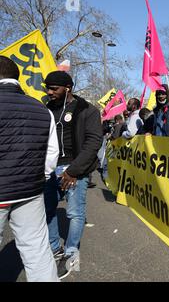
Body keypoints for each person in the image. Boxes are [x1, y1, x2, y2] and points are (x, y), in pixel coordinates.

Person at [0, 56, 60, 282]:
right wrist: (39, 179)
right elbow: (51, 153)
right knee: (37, 250)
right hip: (30, 191)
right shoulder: (42, 109)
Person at [43, 71, 102, 279]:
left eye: (54, 88)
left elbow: (94, 142)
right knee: (47, 209)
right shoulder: (47, 109)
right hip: (50, 170)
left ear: (68, 88)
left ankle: (70, 255)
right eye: (47, 88)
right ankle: (54, 249)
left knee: (75, 213)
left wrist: (73, 171)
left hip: (76, 170)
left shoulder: (88, 110)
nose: (49, 92)